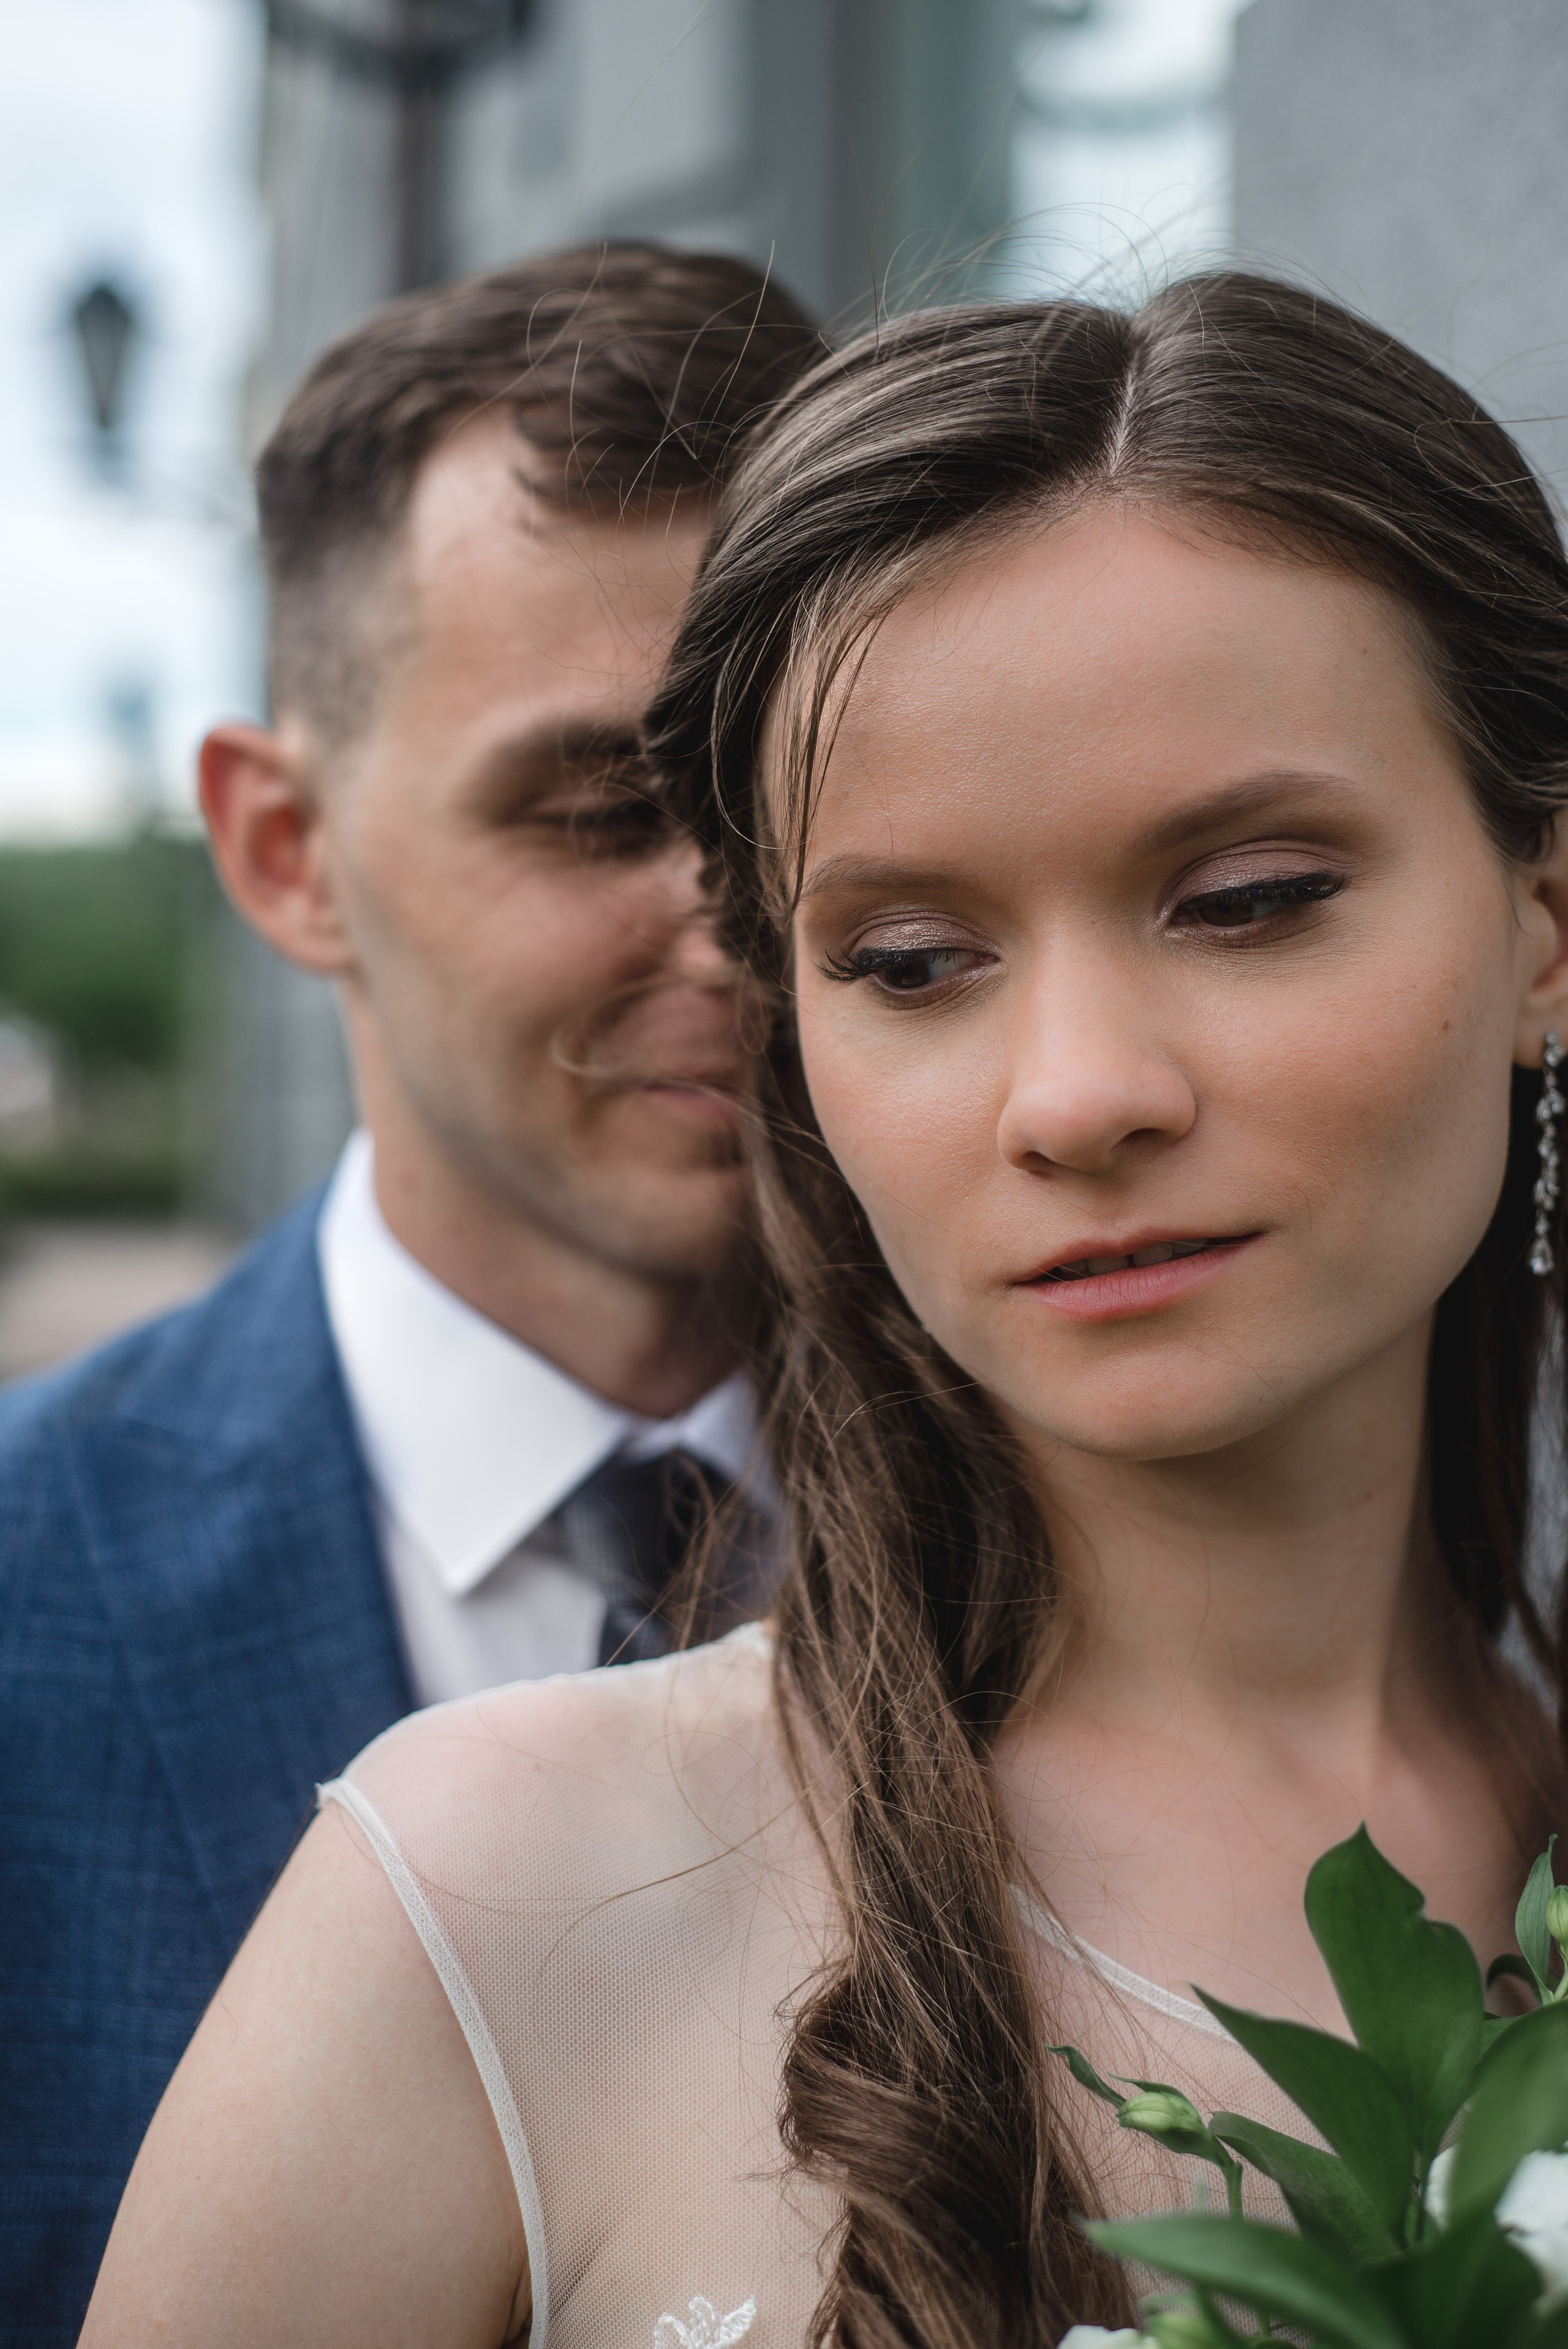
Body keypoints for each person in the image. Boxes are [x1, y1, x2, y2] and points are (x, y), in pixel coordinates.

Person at [81, 273, 1568, 2348]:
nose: (1077, 1093)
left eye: (1243, 900)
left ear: (1544, 921)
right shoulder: (491, 1892)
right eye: (907, 957)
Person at [0, 243, 820, 2342]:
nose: (741, 926)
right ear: (284, 851)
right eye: (602, 809)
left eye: (792, 793)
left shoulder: (1137, 1538)